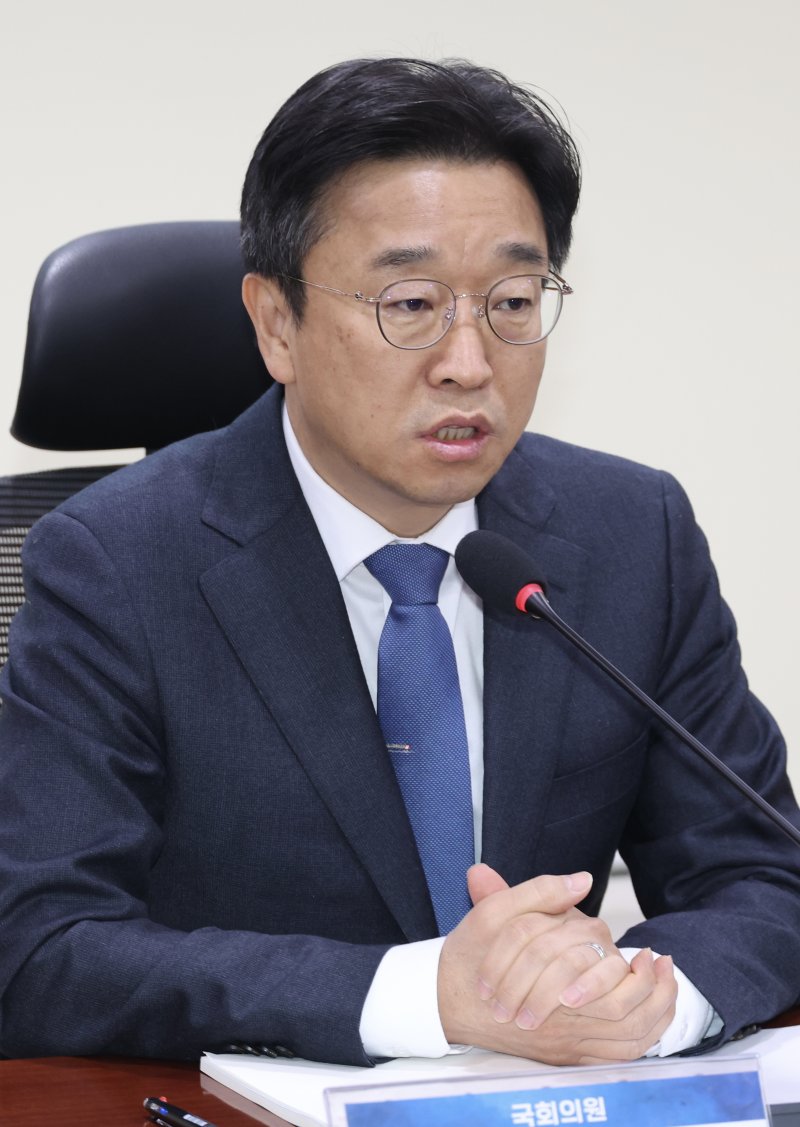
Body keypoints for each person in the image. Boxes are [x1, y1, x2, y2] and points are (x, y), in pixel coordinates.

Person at [1, 57, 798, 1068]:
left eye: (512, 301)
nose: (469, 361)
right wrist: (424, 996)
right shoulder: (113, 563)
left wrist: (650, 1001)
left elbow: (764, 874)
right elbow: (41, 947)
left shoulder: (632, 532)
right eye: (411, 303)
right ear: (277, 323)